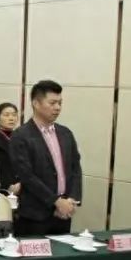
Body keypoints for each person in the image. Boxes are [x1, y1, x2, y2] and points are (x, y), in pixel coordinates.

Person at [10, 80, 83, 236]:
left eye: (60, 103)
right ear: (36, 103)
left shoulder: (66, 133)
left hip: (63, 214)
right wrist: (56, 201)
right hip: (35, 216)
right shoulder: (21, 135)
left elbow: (75, 168)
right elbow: (27, 176)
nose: (57, 107)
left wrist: (72, 200)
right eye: (52, 103)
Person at [0, 103, 21, 194]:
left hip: (21, 188)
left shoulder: (20, 138)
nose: (11, 118)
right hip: (1, 190)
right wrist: (7, 186)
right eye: (6, 115)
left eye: (14, 115)